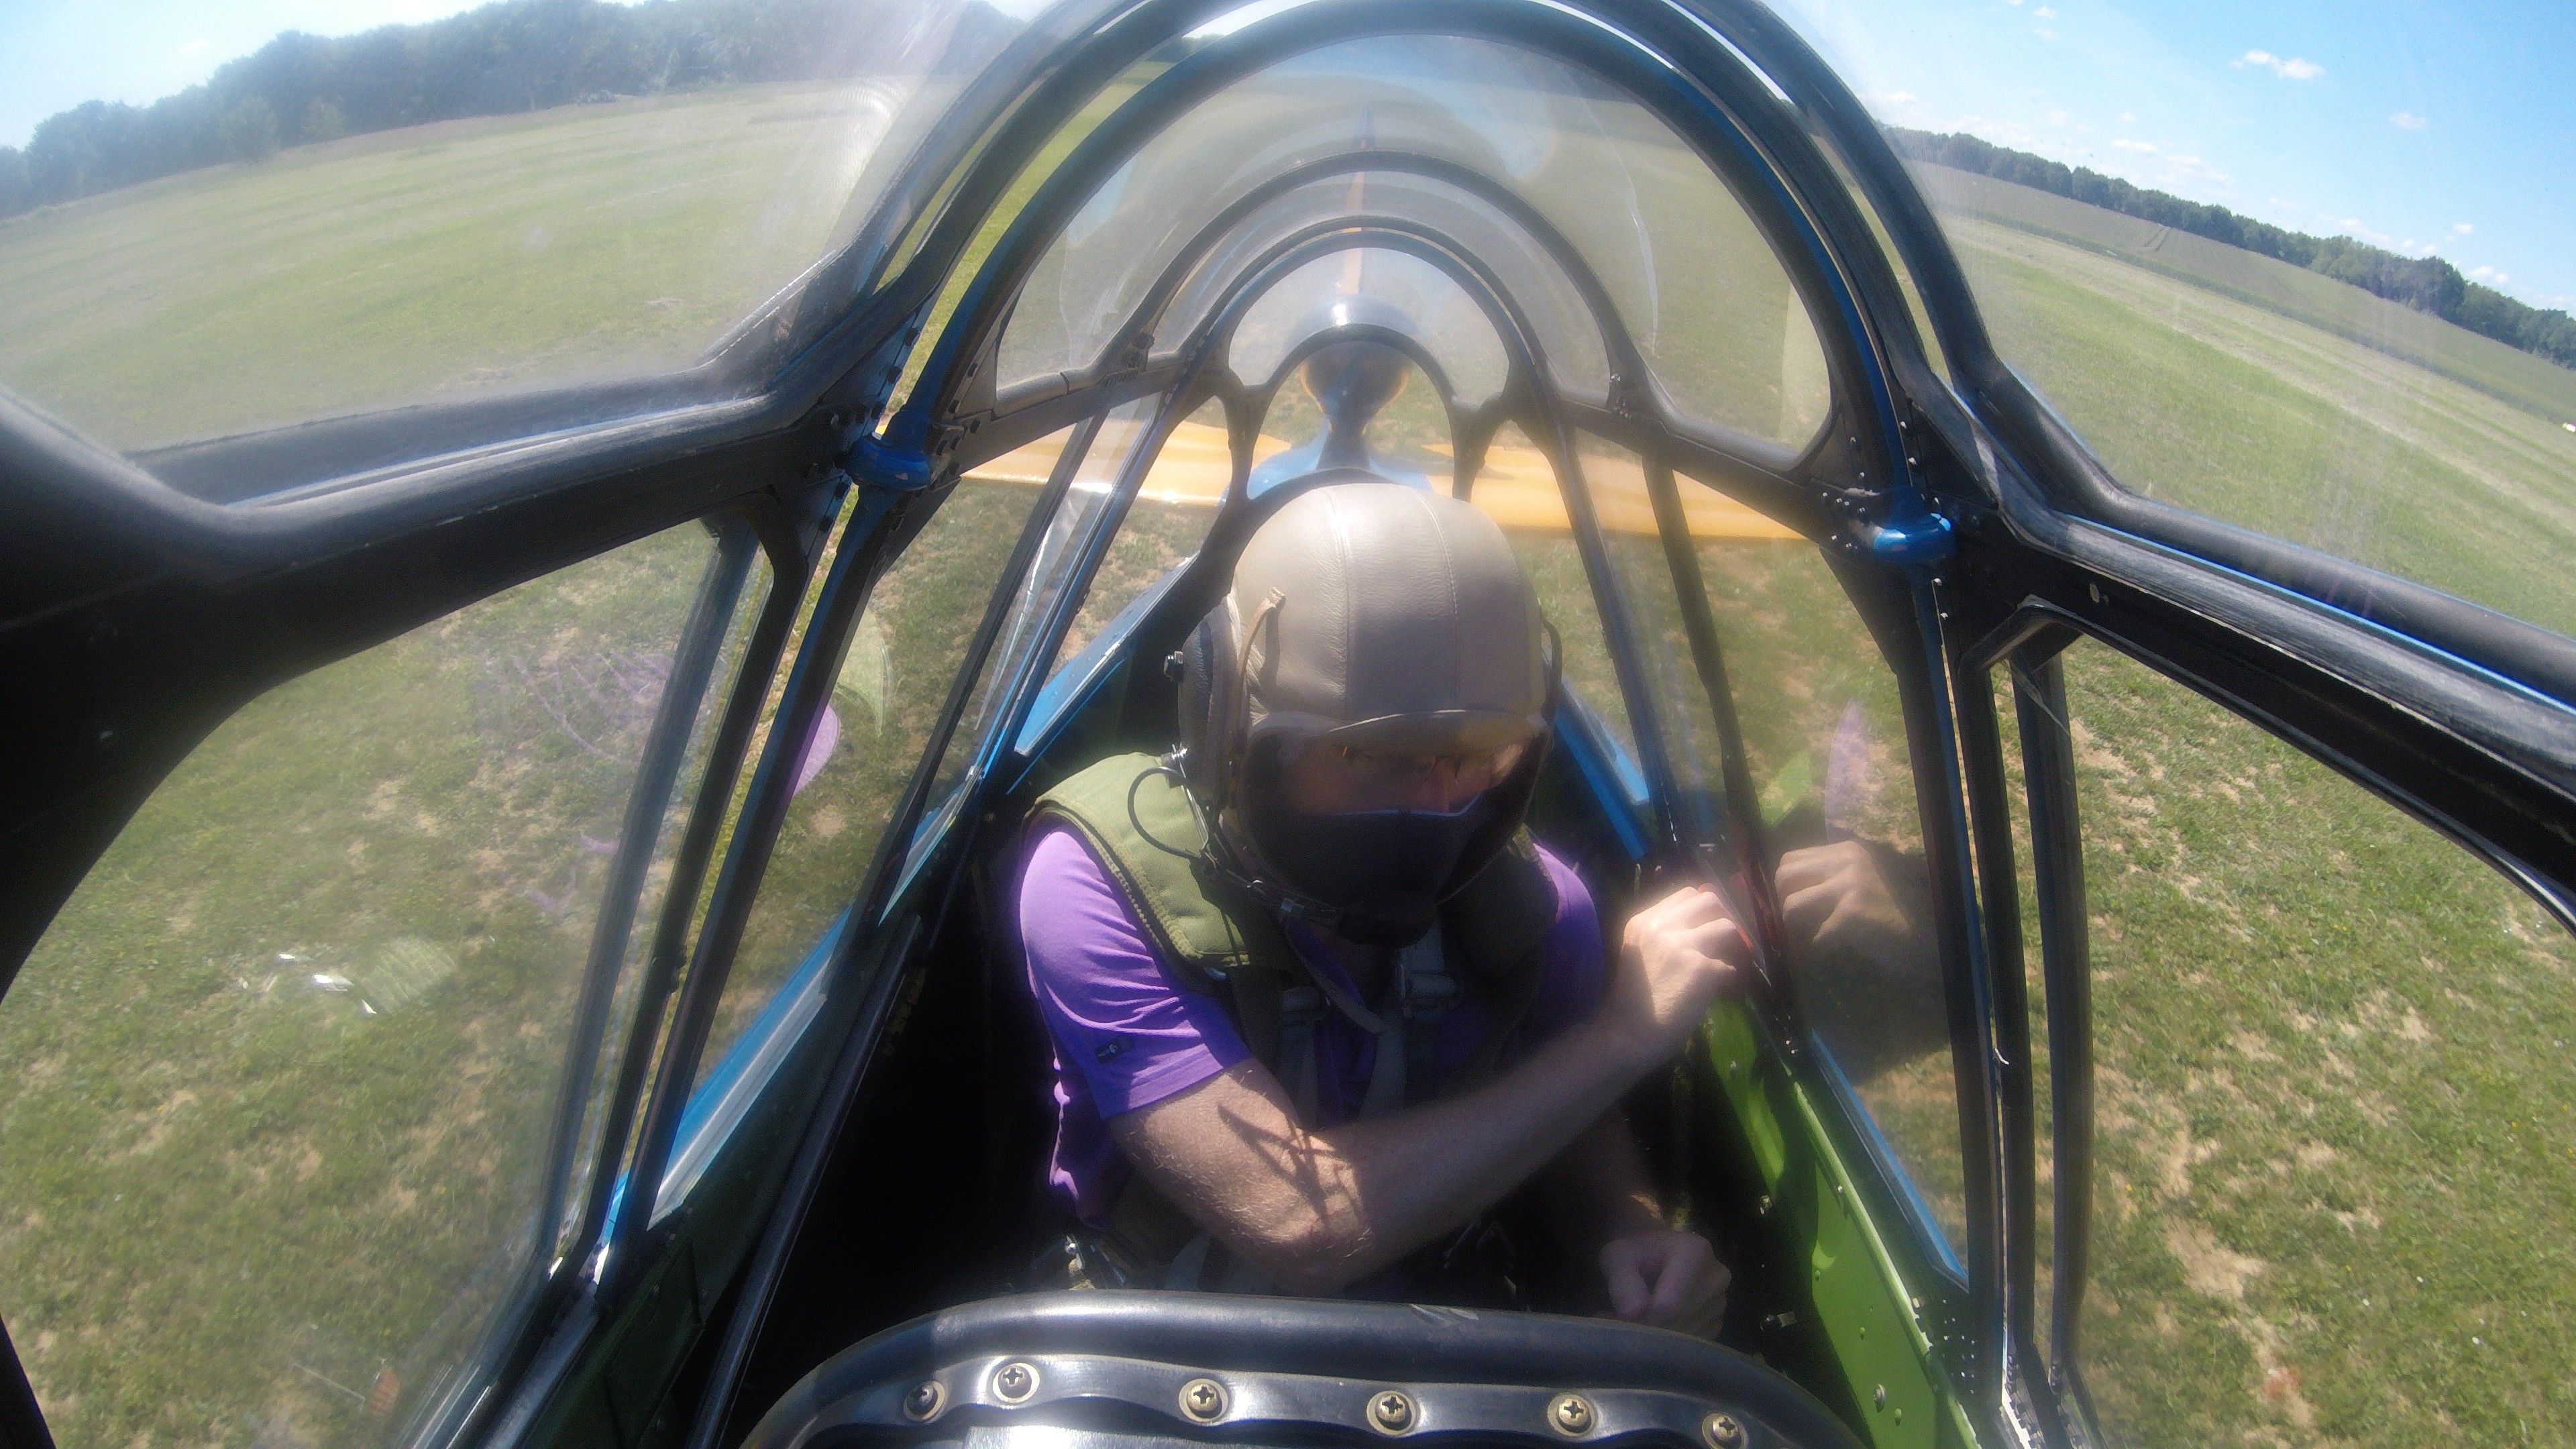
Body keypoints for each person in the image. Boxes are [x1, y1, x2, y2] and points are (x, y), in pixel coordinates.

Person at [1016, 480, 1750, 1334]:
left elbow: (1568, 1115)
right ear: (1226, 724)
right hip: (1153, 1328)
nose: (1438, 805)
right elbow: (1298, 1225)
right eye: (1369, 753)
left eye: (1479, 755)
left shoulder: (1540, 908)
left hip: (1434, 1326)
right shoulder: (1097, 887)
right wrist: (1621, 1038)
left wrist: (1629, 1232)